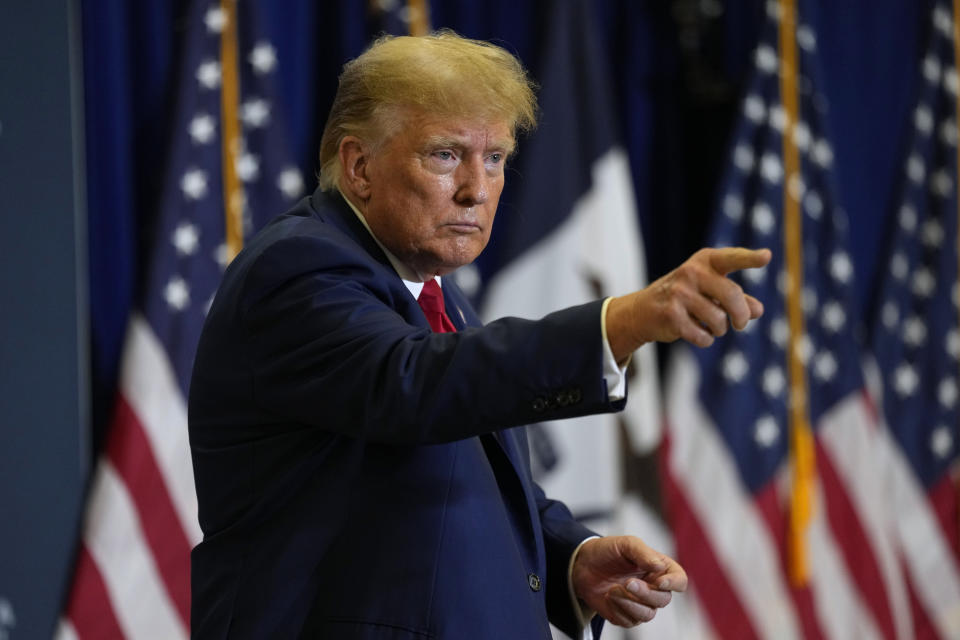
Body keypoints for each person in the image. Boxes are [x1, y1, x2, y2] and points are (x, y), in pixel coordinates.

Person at [188, 31, 770, 639]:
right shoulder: (298, 270)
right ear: (360, 166)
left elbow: (460, 473)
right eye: (445, 155)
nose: (477, 189)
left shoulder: (432, 289)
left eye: (494, 158)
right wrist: (619, 323)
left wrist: (569, 559)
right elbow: (413, 385)